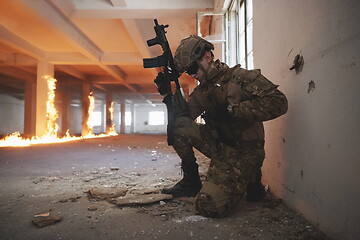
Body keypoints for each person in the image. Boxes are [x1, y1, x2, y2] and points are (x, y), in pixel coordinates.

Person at [158, 35, 288, 218]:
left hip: (244, 153)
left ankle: (251, 179)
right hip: (220, 148)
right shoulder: (202, 91)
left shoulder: (241, 78)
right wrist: (168, 94)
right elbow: (182, 119)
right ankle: (191, 181)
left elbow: (279, 102)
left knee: (207, 205)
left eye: (193, 67)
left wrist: (231, 110)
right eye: (188, 72)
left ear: (207, 56)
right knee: (179, 126)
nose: (192, 74)